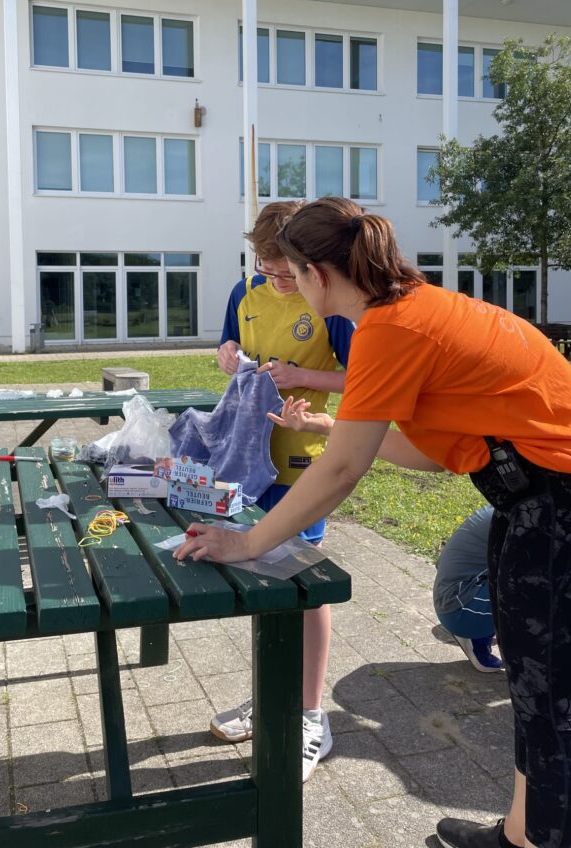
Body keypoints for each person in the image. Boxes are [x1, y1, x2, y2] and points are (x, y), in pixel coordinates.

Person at [175, 197, 571, 848]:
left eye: (292, 273)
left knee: (549, 705)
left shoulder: (390, 327)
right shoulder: (411, 309)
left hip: (567, 503)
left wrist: (248, 541)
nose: (288, 286)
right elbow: (432, 453)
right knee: (533, 691)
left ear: (319, 274)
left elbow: (340, 473)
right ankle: (519, 835)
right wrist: (334, 426)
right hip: (539, 499)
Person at [210, 200, 355, 782]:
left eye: (285, 273)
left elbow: (362, 377)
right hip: (245, 460)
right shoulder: (244, 291)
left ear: (307, 264)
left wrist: (302, 377)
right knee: (260, 580)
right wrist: (225, 356)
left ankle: (311, 715)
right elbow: (228, 349)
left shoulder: (329, 300)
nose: (274, 280)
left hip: (301, 464)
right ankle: (273, 694)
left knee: (304, 585)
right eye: (265, 268)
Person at [437, 507, 571, 720]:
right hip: (462, 607)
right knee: (557, 600)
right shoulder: (547, 517)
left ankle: (477, 635)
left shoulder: (537, 502)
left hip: (455, 597)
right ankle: (564, 693)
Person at [434, 505, 504, 673]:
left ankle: (480, 635)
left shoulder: (504, 506)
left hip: (452, 600)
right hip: (461, 611)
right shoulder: (522, 517)